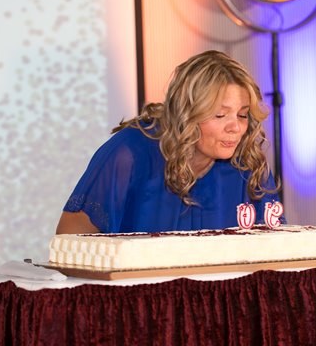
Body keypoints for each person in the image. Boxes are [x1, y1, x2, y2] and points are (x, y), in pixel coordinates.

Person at [56, 50, 281, 234]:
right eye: (220, 115)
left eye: (242, 115)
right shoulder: (129, 152)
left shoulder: (248, 164)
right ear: (187, 113)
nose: (236, 128)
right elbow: (71, 240)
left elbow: (275, 246)